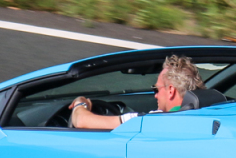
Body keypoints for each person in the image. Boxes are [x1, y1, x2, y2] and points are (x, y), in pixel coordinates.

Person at [69, 55, 205, 130]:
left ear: (170, 91)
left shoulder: (151, 121)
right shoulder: (209, 112)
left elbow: (82, 121)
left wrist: (80, 104)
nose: (155, 95)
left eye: (156, 89)